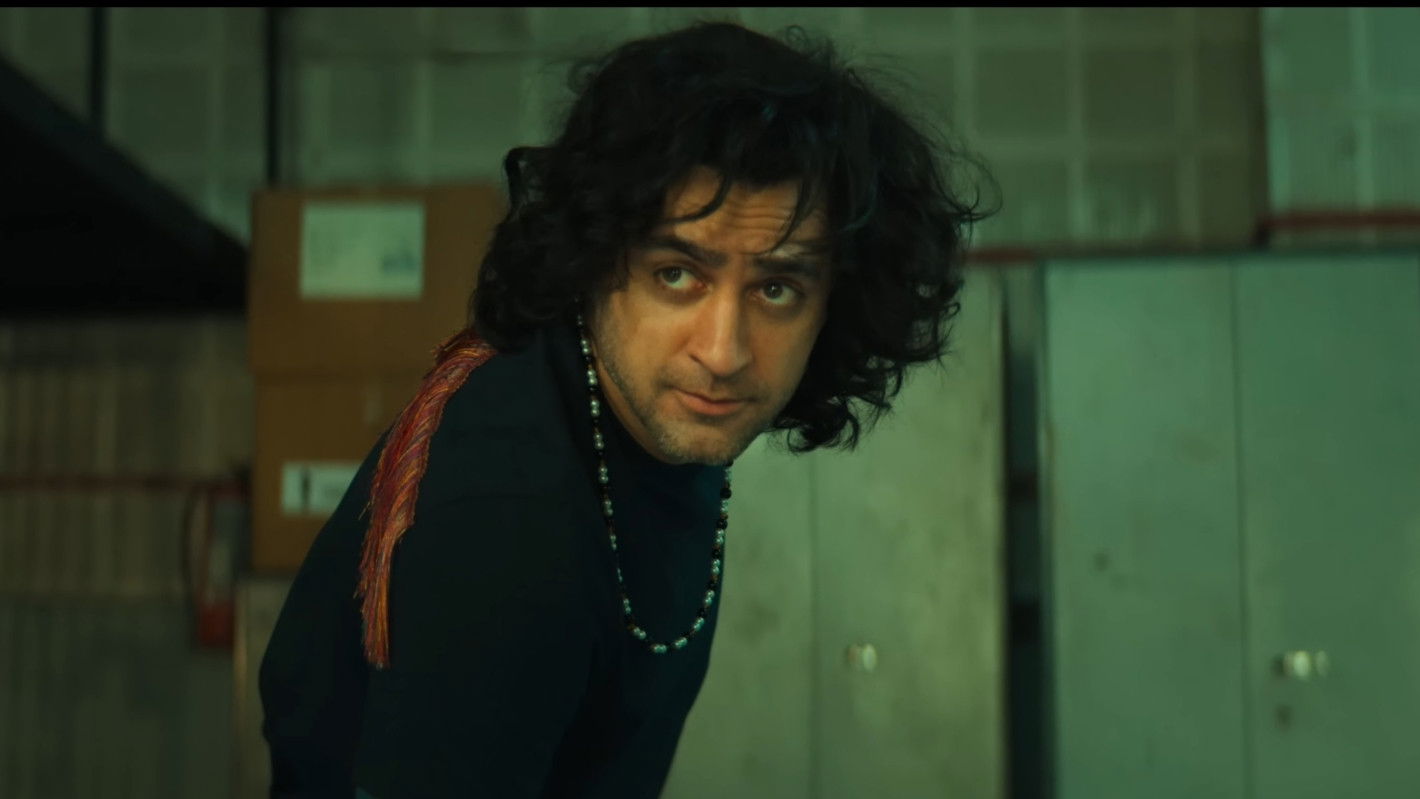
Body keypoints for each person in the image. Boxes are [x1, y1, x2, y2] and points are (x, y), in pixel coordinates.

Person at [258, 19, 990, 799]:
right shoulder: (506, 513)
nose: (724, 350)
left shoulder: (646, 424)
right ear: (595, 255)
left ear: (833, 306)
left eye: (776, 288)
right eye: (677, 274)